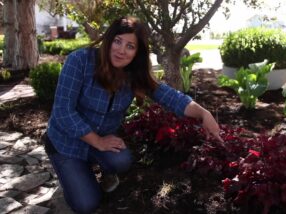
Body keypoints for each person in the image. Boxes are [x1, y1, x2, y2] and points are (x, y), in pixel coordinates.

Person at [43, 16, 223, 213]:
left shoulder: (134, 74)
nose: (121, 50)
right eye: (118, 41)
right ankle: (71, 171)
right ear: (108, 39)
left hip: (100, 140)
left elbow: (171, 97)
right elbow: (62, 112)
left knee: (121, 161)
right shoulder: (79, 61)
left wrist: (203, 113)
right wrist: (98, 142)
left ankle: (88, 170)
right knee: (86, 204)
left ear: (137, 52)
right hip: (65, 143)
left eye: (130, 46)